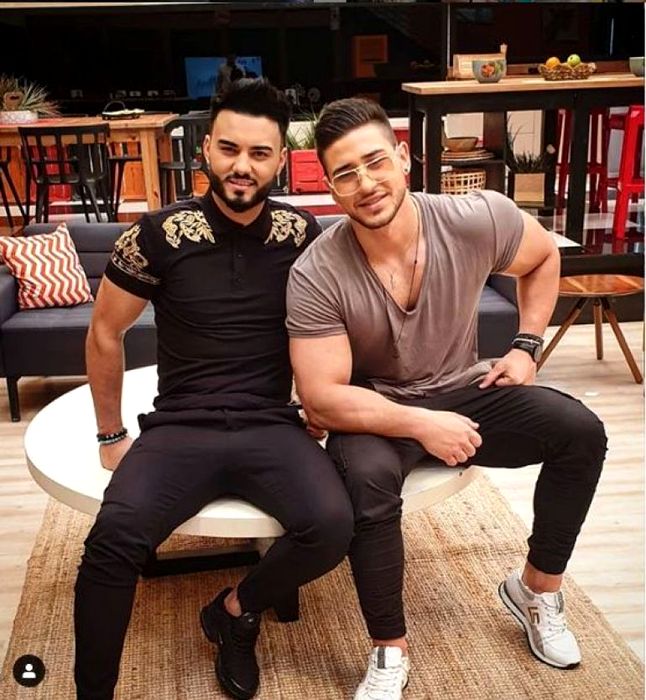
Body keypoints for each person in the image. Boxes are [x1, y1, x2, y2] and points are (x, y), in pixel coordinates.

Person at [286, 98, 607, 700]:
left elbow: (543, 256)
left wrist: (526, 347)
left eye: (375, 162)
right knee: (367, 482)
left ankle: (536, 589)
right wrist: (423, 424)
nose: (365, 183)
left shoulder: (473, 217)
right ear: (330, 188)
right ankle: (389, 649)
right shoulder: (316, 271)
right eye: (345, 174)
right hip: (376, 409)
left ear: (403, 158)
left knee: (581, 432)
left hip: (464, 387)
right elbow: (323, 399)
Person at [75, 79, 354, 700]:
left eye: (259, 153)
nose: (242, 166)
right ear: (205, 149)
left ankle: (233, 612)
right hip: (181, 426)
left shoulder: (302, 233)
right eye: (229, 149)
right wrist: (110, 434)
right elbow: (104, 332)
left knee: (334, 525)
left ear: (280, 160)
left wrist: (325, 399)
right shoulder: (156, 234)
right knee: (111, 544)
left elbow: (336, 322)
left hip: (270, 424)